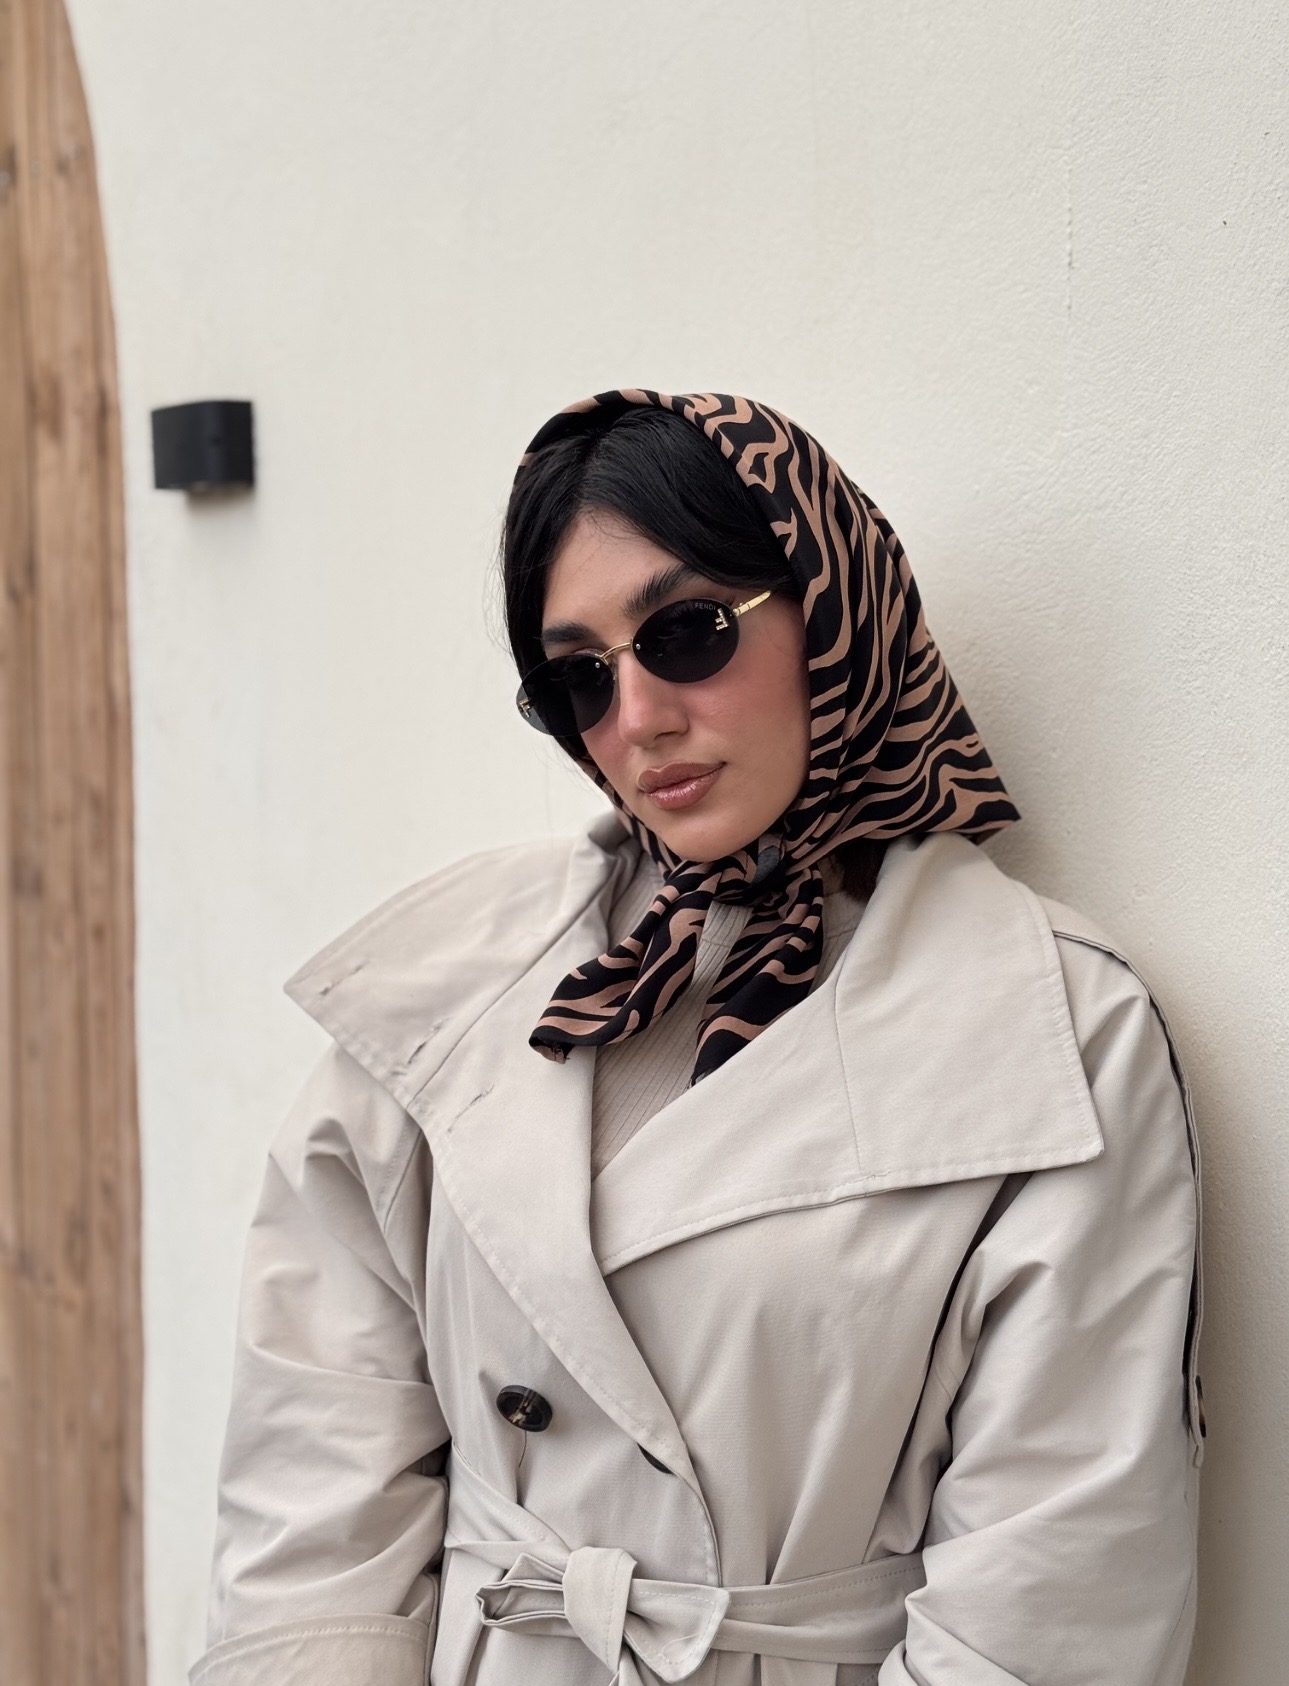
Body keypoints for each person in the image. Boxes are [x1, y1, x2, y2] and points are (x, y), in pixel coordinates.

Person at [190, 391, 1203, 1686]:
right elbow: (310, 1501)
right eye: (579, 676)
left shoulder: (1051, 1030)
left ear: (832, 614)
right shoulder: (449, 990)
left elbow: (1058, 1591)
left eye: (686, 633)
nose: (639, 718)